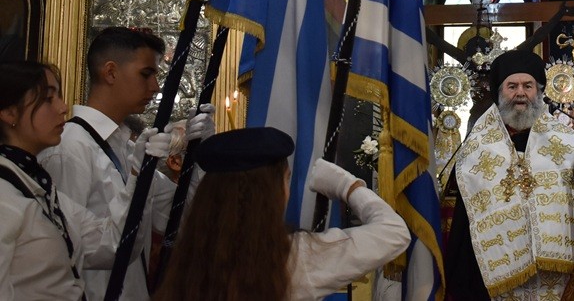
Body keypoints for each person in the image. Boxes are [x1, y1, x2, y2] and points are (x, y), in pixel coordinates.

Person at [39, 26, 214, 301]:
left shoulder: (127, 148)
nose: (155, 86)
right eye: (147, 73)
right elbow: (65, 252)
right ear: (110, 72)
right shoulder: (70, 147)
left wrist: (200, 155)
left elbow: (181, 219)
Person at [153, 126, 411, 300]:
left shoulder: (191, 255)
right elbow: (394, 233)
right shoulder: (295, 258)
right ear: (269, 192)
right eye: (286, 180)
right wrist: (348, 186)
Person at [444, 49, 574, 300]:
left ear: (539, 91)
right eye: (512, 86)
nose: (520, 93)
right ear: (499, 93)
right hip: (496, 282)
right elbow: (459, 221)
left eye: (528, 85)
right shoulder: (475, 149)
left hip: (560, 279)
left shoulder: (565, 140)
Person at [0, 60, 168, 299]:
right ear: (8, 112)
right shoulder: (4, 192)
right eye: (48, 99)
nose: (63, 107)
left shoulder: (38, 186)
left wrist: (139, 175)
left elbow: (113, 243)